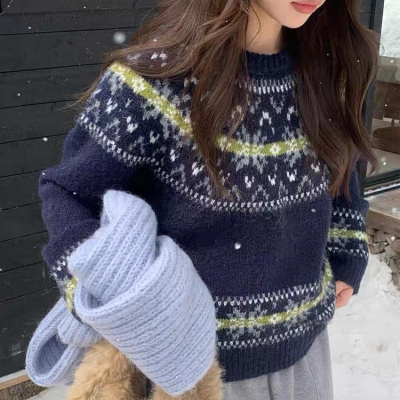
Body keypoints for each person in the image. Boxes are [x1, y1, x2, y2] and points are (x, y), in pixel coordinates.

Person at [26, 0, 378, 399]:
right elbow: (70, 194)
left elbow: (340, 167)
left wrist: (346, 246)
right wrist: (104, 298)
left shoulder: (322, 70)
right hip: (190, 375)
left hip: (306, 359)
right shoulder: (155, 81)